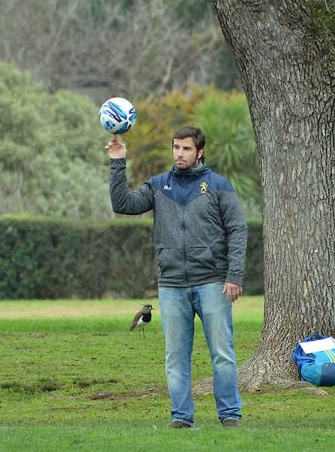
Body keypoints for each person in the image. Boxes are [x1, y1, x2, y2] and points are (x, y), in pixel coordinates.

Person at [106, 125, 247, 428]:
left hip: (212, 282)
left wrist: (234, 275)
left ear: (200, 152)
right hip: (171, 285)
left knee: (222, 353)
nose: (179, 154)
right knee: (175, 357)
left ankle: (230, 415)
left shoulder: (219, 185)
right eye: (176, 147)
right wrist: (118, 162)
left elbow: (237, 229)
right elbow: (123, 204)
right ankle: (182, 417)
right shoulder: (158, 186)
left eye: (186, 148)